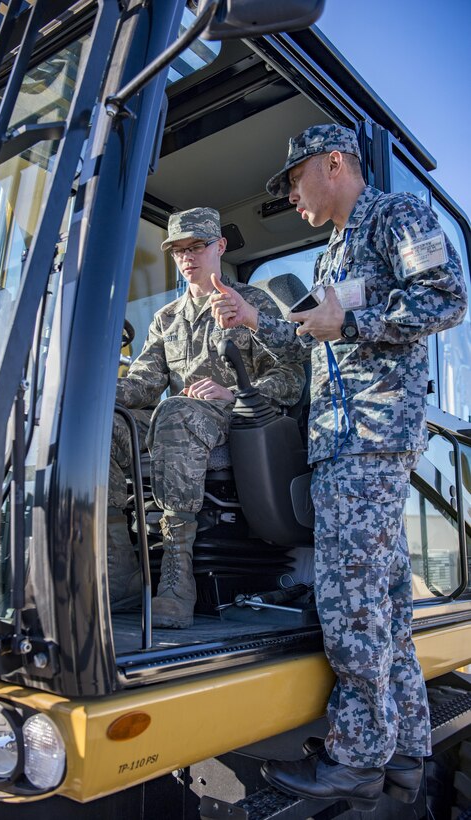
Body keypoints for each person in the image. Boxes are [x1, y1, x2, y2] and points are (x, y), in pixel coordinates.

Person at [210, 124, 468, 810]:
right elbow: (312, 338)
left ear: (333, 163)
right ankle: (405, 751)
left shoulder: (394, 215)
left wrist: (349, 325)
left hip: (370, 435)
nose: (291, 196)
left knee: (348, 602)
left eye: (294, 181)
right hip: (343, 438)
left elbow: (446, 297)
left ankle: (353, 759)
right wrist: (253, 323)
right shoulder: (332, 254)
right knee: (383, 609)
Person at [108, 207, 305, 629]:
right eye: (178, 250)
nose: (186, 257)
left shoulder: (250, 303)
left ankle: (177, 581)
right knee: (104, 422)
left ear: (219, 246)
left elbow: (290, 377)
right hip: (179, 422)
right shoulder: (165, 318)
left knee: (176, 410)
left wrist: (232, 392)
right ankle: (118, 571)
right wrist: (98, 392)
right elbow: (143, 383)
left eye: (196, 246)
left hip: (237, 423)